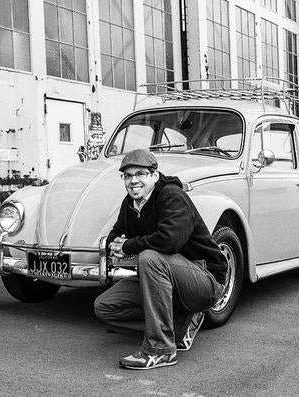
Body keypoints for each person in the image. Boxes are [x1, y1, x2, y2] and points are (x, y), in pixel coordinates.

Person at [94, 148, 227, 370]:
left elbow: (169, 241)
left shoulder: (172, 196)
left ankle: (161, 350)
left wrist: (128, 245)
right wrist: (115, 244)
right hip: (165, 278)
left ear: (154, 176)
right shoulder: (130, 203)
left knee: (149, 257)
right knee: (105, 306)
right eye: (127, 176)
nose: (133, 181)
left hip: (204, 278)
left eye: (140, 174)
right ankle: (179, 324)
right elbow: (114, 236)